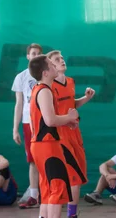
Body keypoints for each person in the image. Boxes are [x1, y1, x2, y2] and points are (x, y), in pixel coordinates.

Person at [28, 54, 79, 218]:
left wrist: (65, 121)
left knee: (48, 189)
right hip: (47, 145)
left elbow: (47, 120)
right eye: (51, 64)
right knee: (57, 188)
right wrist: (69, 117)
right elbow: (50, 121)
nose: (54, 66)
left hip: (41, 144)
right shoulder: (44, 91)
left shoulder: (40, 89)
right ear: (45, 72)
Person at [47, 50, 94, 218]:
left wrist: (86, 98)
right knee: (70, 177)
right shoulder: (48, 87)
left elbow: (72, 104)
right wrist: (67, 119)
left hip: (75, 134)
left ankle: (72, 213)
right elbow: (48, 116)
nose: (62, 61)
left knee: (79, 176)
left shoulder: (71, 82)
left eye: (62, 58)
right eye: (57, 59)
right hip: (59, 136)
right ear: (50, 65)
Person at [12, 43, 42, 208]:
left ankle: (52, 194)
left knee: (48, 160)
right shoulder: (21, 77)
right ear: (28, 56)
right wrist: (15, 128)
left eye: (38, 53)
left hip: (46, 123)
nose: (35, 56)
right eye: (33, 53)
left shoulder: (47, 75)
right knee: (33, 161)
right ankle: (34, 197)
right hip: (28, 124)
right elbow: (19, 104)